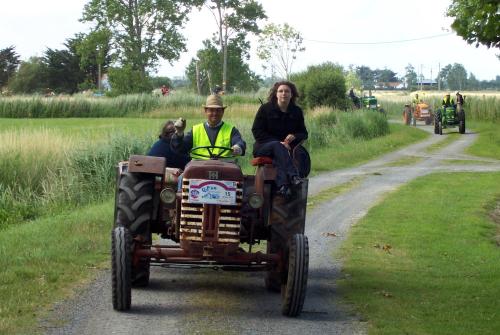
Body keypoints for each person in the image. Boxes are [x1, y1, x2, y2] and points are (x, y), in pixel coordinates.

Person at [252, 81, 308, 197]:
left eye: (287, 91)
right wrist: (279, 143)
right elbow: (257, 131)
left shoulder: (296, 111)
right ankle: (293, 176)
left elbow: (304, 133)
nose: (284, 93)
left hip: (284, 150)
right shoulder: (265, 109)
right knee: (277, 146)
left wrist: (295, 136)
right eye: (281, 91)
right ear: (276, 94)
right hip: (263, 147)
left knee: (280, 153)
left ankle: (283, 186)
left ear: (291, 94)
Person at [171, 94, 246, 160]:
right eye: (211, 110)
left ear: (223, 112)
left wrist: (238, 147)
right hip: (199, 170)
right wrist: (179, 132)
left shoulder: (231, 130)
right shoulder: (195, 130)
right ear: (205, 111)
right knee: (182, 177)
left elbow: (239, 142)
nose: (215, 113)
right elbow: (180, 149)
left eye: (218, 110)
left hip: (224, 170)